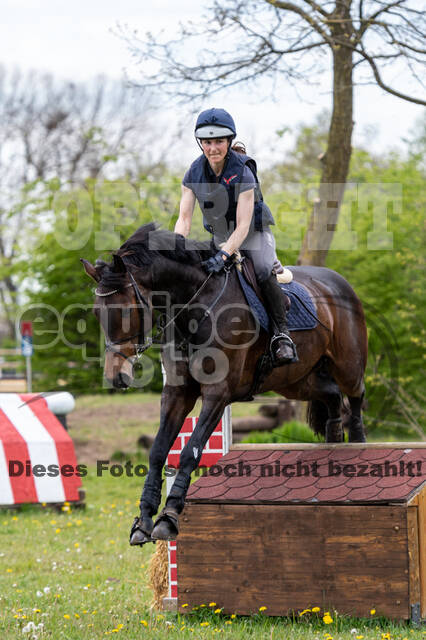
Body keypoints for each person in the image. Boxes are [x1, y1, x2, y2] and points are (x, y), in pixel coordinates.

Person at [174, 107, 297, 365]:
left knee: (262, 269)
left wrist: (223, 255)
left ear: (229, 141)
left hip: (253, 234)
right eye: (207, 142)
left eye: (219, 141)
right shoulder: (193, 172)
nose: (213, 148)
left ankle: (282, 335)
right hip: (219, 237)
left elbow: (243, 226)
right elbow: (184, 219)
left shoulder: (243, 171)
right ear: (200, 143)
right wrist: (176, 250)